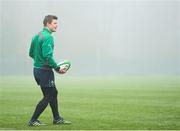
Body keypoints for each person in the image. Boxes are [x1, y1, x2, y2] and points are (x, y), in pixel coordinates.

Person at [28, 15, 71, 126]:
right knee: (48, 96)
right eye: (54, 23)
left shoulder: (36, 36)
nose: (57, 25)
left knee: (53, 93)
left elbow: (31, 53)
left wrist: (39, 61)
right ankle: (33, 120)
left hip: (37, 70)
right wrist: (57, 68)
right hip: (45, 71)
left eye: (56, 23)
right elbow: (48, 56)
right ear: (47, 24)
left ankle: (57, 118)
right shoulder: (48, 37)